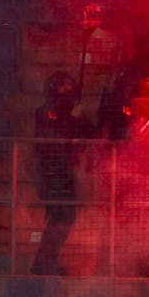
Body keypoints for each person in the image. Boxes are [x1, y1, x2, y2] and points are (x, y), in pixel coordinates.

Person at [31, 71, 94, 275]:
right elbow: (53, 141)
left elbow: (89, 134)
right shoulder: (45, 112)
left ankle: (46, 262)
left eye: (70, 85)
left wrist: (80, 118)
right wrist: (72, 120)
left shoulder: (70, 113)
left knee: (65, 218)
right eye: (63, 86)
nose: (68, 89)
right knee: (60, 217)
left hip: (66, 173)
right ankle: (44, 263)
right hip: (52, 174)